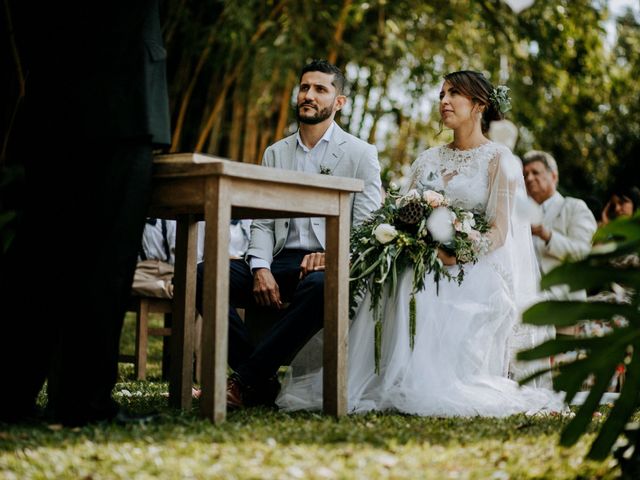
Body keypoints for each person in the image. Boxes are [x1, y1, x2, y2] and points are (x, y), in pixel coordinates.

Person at [277, 70, 565, 416]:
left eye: (453, 94)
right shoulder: (427, 159)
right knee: (396, 277)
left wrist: (459, 252)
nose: (444, 101)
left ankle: (424, 381)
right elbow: (398, 211)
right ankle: (384, 377)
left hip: (470, 266)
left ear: (479, 105)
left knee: (426, 283)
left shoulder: (499, 159)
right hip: (418, 256)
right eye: (441, 94)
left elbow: (500, 231)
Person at [0, 1, 170, 425]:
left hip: (54, 105)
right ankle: (83, 403)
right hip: (120, 105)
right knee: (101, 266)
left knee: (41, 260)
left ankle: (11, 396)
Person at [195, 59, 382, 409]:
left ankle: (243, 380)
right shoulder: (275, 152)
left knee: (321, 284)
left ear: (338, 102)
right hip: (281, 262)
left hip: (333, 266)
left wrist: (333, 255)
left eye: (320, 89)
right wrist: (260, 267)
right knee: (205, 273)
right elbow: (263, 223)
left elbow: (368, 228)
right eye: (304, 87)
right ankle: (260, 381)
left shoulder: (361, 154)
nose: (308, 95)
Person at [522, 150, 598, 309]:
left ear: (554, 176)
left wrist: (548, 236)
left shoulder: (574, 207)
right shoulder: (518, 213)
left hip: (563, 306)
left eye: (535, 172)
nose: (529, 178)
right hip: (525, 306)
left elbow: (584, 253)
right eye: (525, 174)